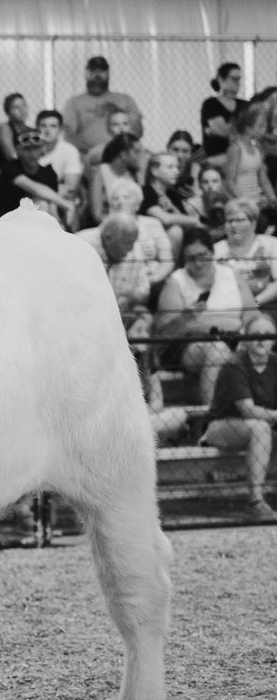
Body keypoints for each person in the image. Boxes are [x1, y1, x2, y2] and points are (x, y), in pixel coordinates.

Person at [154, 232, 257, 408]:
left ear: (212, 252)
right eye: (191, 258)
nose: (198, 263)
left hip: (236, 338)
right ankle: (210, 411)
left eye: (202, 255)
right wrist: (186, 318)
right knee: (217, 349)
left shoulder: (231, 274)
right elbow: (163, 334)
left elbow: (252, 314)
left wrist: (249, 335)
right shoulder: (176, 282)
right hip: (192, 345)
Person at [199, 312, 277, 520]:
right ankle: (256, 502)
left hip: (264, 424)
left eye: (267, 334)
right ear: (246, 338)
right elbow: (247, 410)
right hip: (220, 426)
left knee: (262, 427)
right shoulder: (235, 363)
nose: (261, 339)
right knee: (260, 427)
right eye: (255, 334)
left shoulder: (275, 363)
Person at [61, 56, 143, 158]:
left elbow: (138, 130)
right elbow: (68, 135)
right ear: (86, 74)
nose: (97, 75)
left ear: (108, 73)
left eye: (102, 71)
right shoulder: (74, 102)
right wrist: (94, 151)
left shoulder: (125, 99)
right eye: (93, 71)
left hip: (121, 156)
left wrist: (120, 149)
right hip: (88, 156)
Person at [0, 126, 67, 220]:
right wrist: (67, 205)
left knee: (44, 204)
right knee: (41, 203)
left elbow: (53, 208)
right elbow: (35, 189)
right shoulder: (9, 168)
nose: (32, 154)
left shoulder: (49, 173)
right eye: (26, 149)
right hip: (5, 222)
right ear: (17, 150)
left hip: (33, 223)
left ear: (42, 148)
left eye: (36, 148)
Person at [214, 199, 277, 312]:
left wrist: (254, 303)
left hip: (264, 306)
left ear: (253, 223)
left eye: (240, 220)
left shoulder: (271, 244)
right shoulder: (216, 249)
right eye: (229, 221)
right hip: (226, 309)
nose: (233, 225)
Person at [141, 153, 204, 255]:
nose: (176, 171)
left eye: (177, 167)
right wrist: (195, 220)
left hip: (171, 244)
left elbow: (185, 223)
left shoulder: (172, 194)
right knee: (175, 231)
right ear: (154, 170)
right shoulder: (145, 192)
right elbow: (165, 218)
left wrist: (173, 208)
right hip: (148, 242)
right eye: (170, 167)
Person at [222, 103, 275, 206]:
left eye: (264, 126)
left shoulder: (257, 149)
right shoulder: (236, 149)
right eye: (260, 126)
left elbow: (263, 178)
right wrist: (246, 202)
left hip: (256, 202)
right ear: (248, 128)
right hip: (240, 203)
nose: (264, 130)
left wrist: (273, 199)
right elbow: (230, 182)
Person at [35, 109, 84, 214]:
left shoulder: (70, 151)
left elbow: (70, 188)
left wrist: (43, 191)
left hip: (60, 200)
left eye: (53, 126)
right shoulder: (29, 150)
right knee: (43, 204)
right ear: (36, 128)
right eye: (43, 126)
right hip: (35, 199)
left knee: (47, 204)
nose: (47, 130)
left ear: (60, 130)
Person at [202, 62, 243, 163]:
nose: (238, 83)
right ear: (221, 79)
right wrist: (243, 126)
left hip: (243, 155)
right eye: (234, 79)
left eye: (239, 79)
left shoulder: (244, 104)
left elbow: (255, 130)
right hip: (218, 156)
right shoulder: (211, 104)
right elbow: (224, 131)